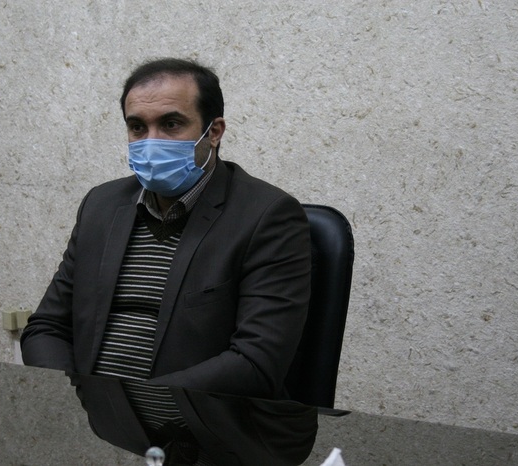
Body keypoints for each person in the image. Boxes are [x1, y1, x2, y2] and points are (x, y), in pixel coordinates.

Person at [20, 58, 311, 402]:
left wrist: (134, 406)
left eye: (171, 124)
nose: (151, 142)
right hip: (90, 414)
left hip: (200, 422)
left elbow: (256, 362)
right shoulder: (101, 205)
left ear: (214, 132)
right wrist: (72, 401)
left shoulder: (267, 216)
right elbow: (47, 328)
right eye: (137, 127)